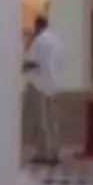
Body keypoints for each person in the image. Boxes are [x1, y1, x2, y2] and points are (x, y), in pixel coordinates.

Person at [23, 15, 64, 164]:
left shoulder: (39, 41)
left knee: (42, 120)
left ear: (37, 26)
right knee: (53, 120)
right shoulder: (56, 40)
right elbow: (59, 63)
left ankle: (45, 153)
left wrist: (20, 66)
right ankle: (55, 151)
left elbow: (32, 63)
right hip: (53, 84)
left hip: (39, 84)